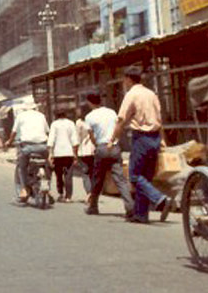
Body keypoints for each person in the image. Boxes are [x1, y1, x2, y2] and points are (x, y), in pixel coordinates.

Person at [110, 67, 173, 223]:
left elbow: (121, 119)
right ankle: (141, 215)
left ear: (128, 79)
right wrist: (163, 139)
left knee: (135, 176)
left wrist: (113, 139)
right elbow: (159, 119)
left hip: (141, 138)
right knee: (146, 178)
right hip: (155, 137)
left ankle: (160, 199)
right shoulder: (151, 94)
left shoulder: (131, 95)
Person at [84, 92, 134, 217]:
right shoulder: (111, 112)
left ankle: (93, 206)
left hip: (101, 147)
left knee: (97, 179)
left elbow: (91, 136)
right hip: (115, 147)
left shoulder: (89, 116)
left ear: (90, 102)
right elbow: (118, 127)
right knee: (120, 180)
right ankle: (130, 207)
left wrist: (97, 146)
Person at [4, 103, 50, 202]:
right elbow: (47, 131)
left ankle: (24, 188)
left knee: (22, 167)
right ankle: (48, 185)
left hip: (27, 147)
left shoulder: (20, 116)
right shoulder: (41, 116)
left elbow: (14, 132)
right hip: (43, 147)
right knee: (47, 165)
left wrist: (9, 141)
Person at [47, 109, 78, 202]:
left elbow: (51, 139)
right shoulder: (71, 123)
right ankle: (68, 196)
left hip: (58, 153)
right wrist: (75, 155)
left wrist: (50, 154)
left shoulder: (54, 124)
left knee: (59, 175)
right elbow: (75, 141)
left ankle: (60, 194)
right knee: (68, 175)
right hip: (69, 153)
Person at [74, 105, 95, 199]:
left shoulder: (79, 123)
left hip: (83, 150)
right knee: (93, 172)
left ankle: (89, 193)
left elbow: (77, 138)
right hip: (93, 149)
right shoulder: (93, 120)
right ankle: (94, 193)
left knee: (85, 173)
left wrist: (74, 152)